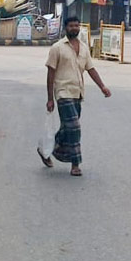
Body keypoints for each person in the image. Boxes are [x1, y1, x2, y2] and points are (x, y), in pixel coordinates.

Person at [41, 16, 112, 176]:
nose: (74, 28)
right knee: (75, 128)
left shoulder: (84, 48)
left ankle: (45, 149)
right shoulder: (57, 48)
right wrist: (50, 98)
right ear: (65, 28)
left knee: (68, 129)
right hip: (63, 93)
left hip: (77, 93)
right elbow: (50, 74)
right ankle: (75, 164)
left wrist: (102, 86)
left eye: (76, 25)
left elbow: (91, 69)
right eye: (71, 26)